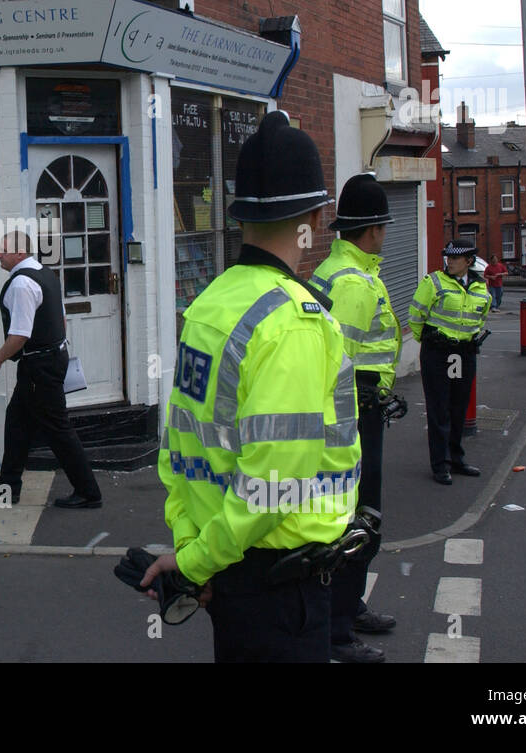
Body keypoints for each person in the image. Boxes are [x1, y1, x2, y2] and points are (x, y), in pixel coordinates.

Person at [140, 111, 362, 663]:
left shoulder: (211, 302)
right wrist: (195, 564)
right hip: (280, 590)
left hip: (228, 569)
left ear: (240, 215)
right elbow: (276, 481)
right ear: (314, 216)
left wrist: (196, 554)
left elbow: (180, 451)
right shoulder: (295, 321)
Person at [311, 173, 402, 664]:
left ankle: (350, 605)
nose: (386, 234)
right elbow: (336, 361)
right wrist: (366, 401)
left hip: (361, 410)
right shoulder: (352, 282)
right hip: (355, 418)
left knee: (353, 516)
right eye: (384, 227)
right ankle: (339, 631)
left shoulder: (338, 269)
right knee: (358, 519)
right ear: (371, 231)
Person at [0, 231, 102, 509]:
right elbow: (61, 318)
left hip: (40, 367)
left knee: (58, 429)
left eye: (4, 250)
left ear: (20, 254)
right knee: (17, 423)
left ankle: (88, 492)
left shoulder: (22, 283)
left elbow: (19, 335)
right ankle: (7, 486)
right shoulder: (45, 273)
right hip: (49, 360)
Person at [410, 239, 491, 485]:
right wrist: (427, 339)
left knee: (458, 407)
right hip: (438, 352)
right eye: (448, 257)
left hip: (463, 353)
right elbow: (416, 314)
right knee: (439, 409)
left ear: (469, 261)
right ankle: (440, 464)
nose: (450, 262)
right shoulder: (433, 282)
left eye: (456, 258)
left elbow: (481, 317)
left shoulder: (480, 287)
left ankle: (456, 459)